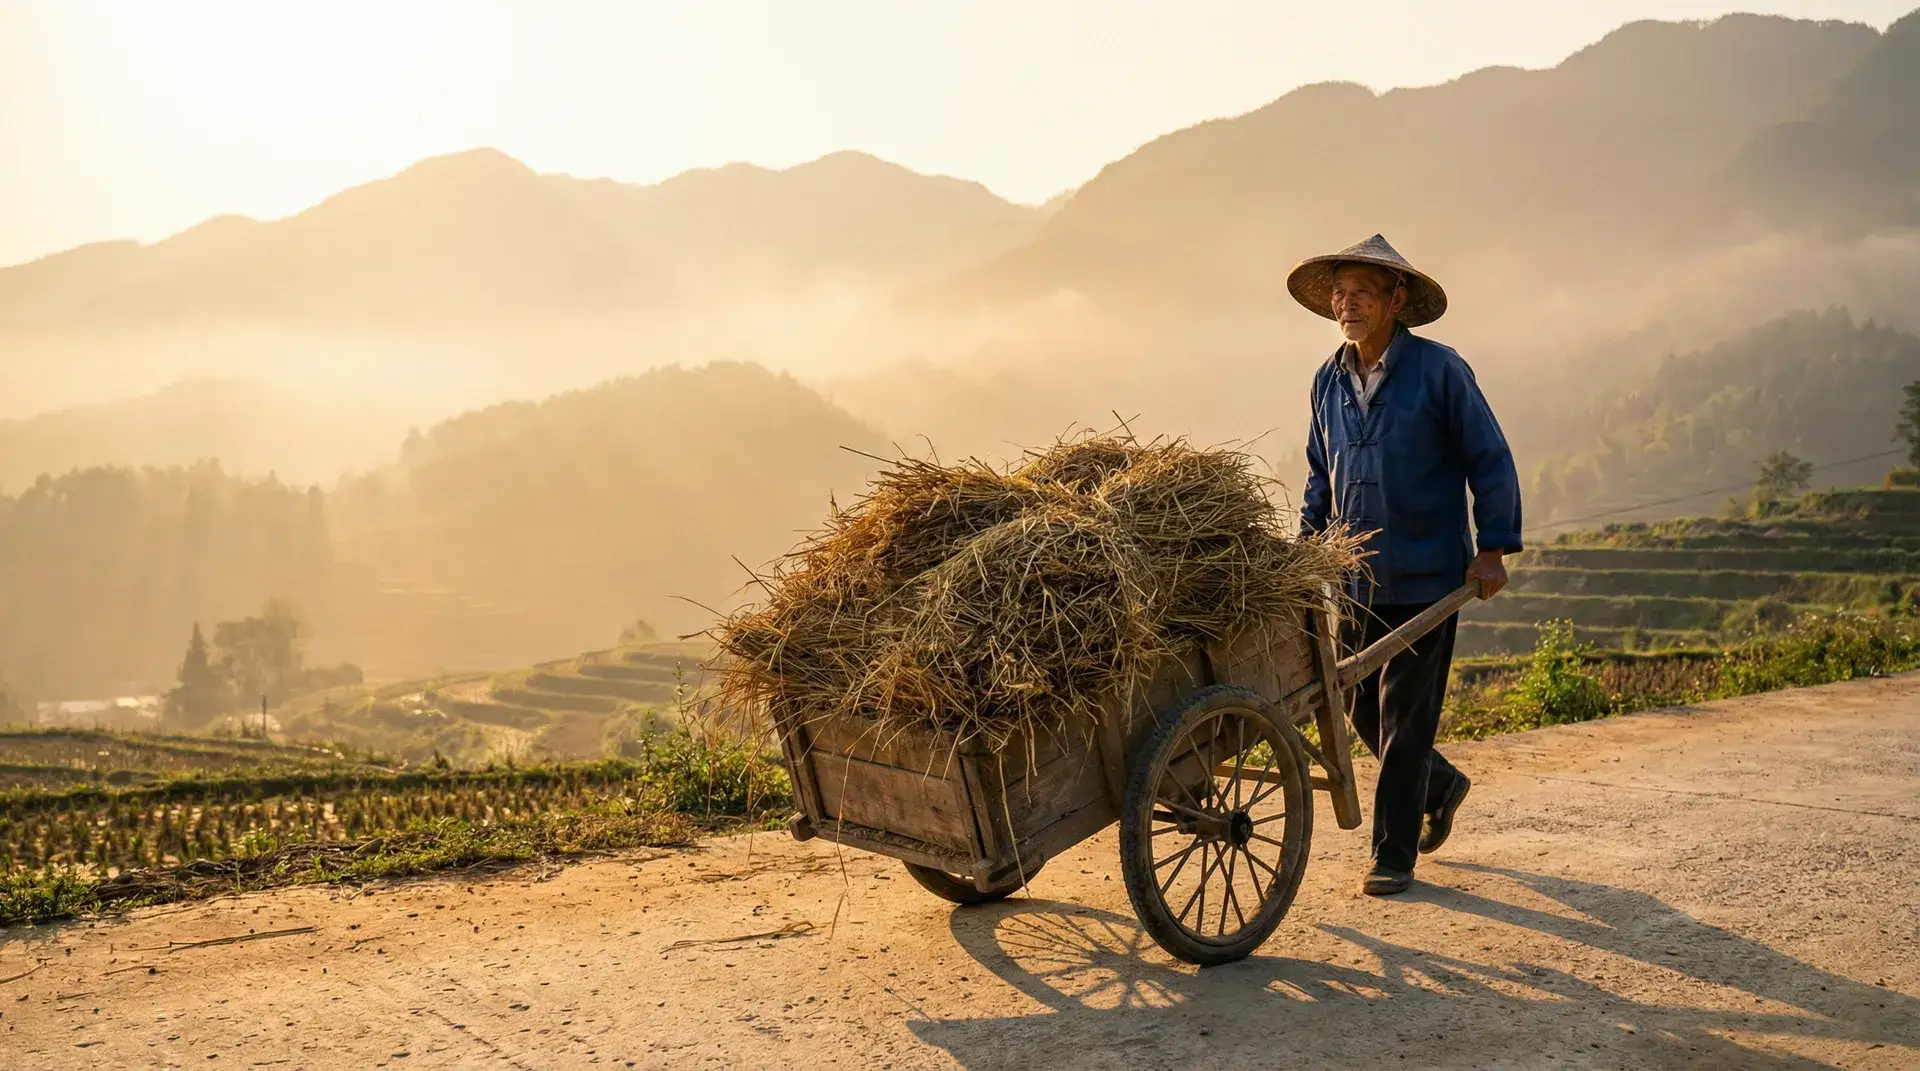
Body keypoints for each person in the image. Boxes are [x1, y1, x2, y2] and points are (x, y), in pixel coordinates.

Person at [1289, 234, 1523, 897]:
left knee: (1403, 718)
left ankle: (1393, 855)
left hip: (1426, 573)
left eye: (1362, 291)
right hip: (1353, 579)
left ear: (1397, 301)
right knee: (1349, 704)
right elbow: (1319, 475)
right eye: (1340, 291)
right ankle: (1442, 785)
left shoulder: (1440, 371)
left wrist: (1493, 546)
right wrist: (1306, 550)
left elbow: (1490, 457)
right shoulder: (1327, 381)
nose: (1347, 303)